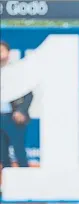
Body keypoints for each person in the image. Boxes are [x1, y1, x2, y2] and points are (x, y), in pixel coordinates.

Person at [0, 40, 33, 171]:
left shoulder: (17, 71)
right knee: (2, 154)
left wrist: (21, 111)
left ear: (8, 53)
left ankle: (27, 186)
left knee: (19, 151)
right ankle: (8, 186)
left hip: (13, 117)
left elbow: (28, 94)